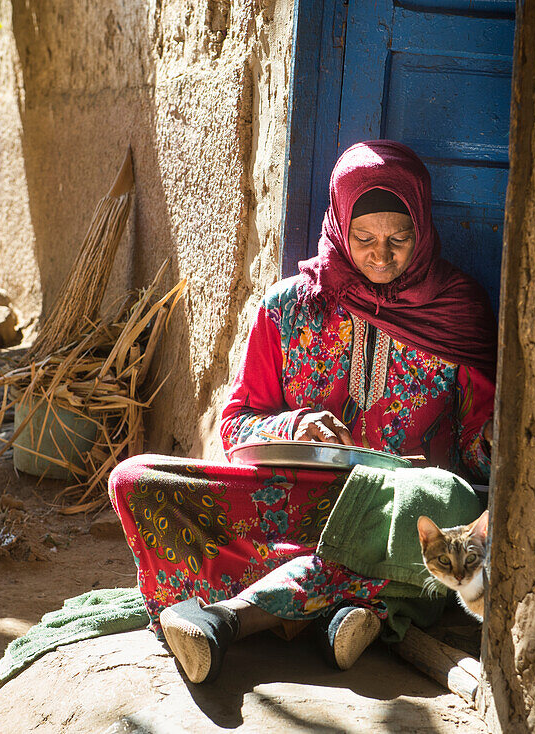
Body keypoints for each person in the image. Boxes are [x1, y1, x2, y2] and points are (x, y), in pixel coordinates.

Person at [108, 139, 496, 684]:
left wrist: (498, 441)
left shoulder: (458, 310)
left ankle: (227, 618)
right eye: (364, 239)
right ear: (338, 224)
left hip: (398, 516)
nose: (380, 255)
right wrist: (291, 424)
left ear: (424, 228)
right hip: (296, 502)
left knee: (447, 499)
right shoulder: (289, 308)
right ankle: (343, 612)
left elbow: (480, 453)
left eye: (398, 239)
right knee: (134, 479)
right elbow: (236, 426)